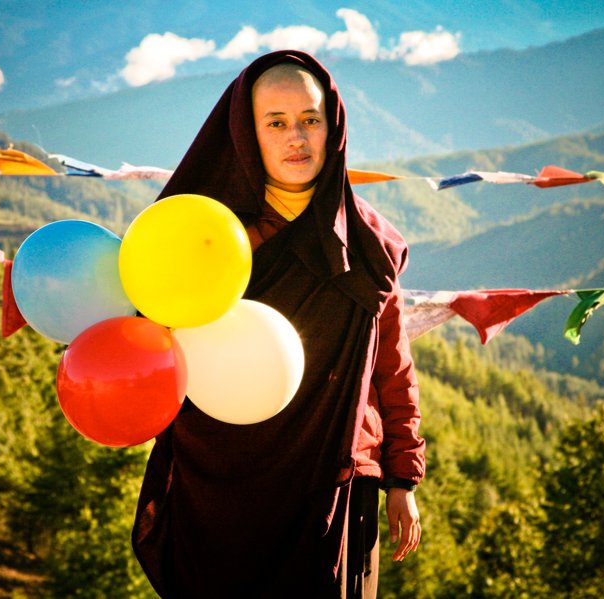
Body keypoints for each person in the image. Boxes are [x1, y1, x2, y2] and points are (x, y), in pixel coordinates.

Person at [132, 49, 425, 598]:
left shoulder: (369, 244)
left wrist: (403, 476)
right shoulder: (208, 237)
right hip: (222, 481)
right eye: (276, 123)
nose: (297, 137)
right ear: (247, 134)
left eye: (311, 120)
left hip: (335, 481)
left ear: (333, 127)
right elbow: (154, 341)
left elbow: (393, 368)